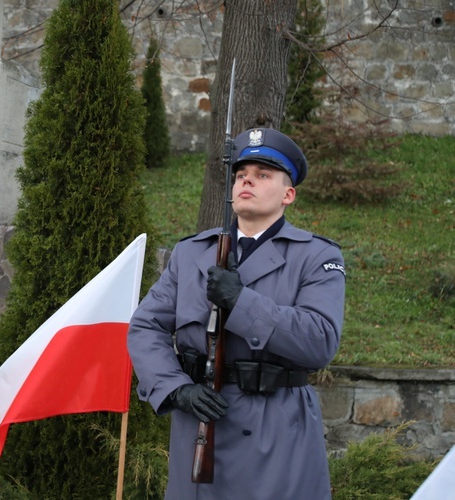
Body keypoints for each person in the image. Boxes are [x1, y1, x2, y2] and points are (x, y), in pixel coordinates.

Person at [127, 128, 346, 499]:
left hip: (275, 431)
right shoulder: (193, 253)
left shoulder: (317, 256)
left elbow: (320, 341)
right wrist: (175, 388)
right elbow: (146, 326)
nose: (248, 181)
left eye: (263, 175)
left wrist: (242, 301)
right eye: (242, 174)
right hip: (200, 423)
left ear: (288, 194)